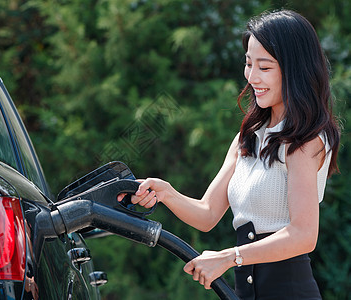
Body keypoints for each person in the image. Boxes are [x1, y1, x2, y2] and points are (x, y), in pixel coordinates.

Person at [119, 9, 340, 299]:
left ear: (295, 69)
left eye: (265, 67)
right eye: (249, 64)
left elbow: (303, 235)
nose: (252, 77)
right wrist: (165, 192)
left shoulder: (304, 140)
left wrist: (228, 257)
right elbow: (208, 213)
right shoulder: (247, 137)